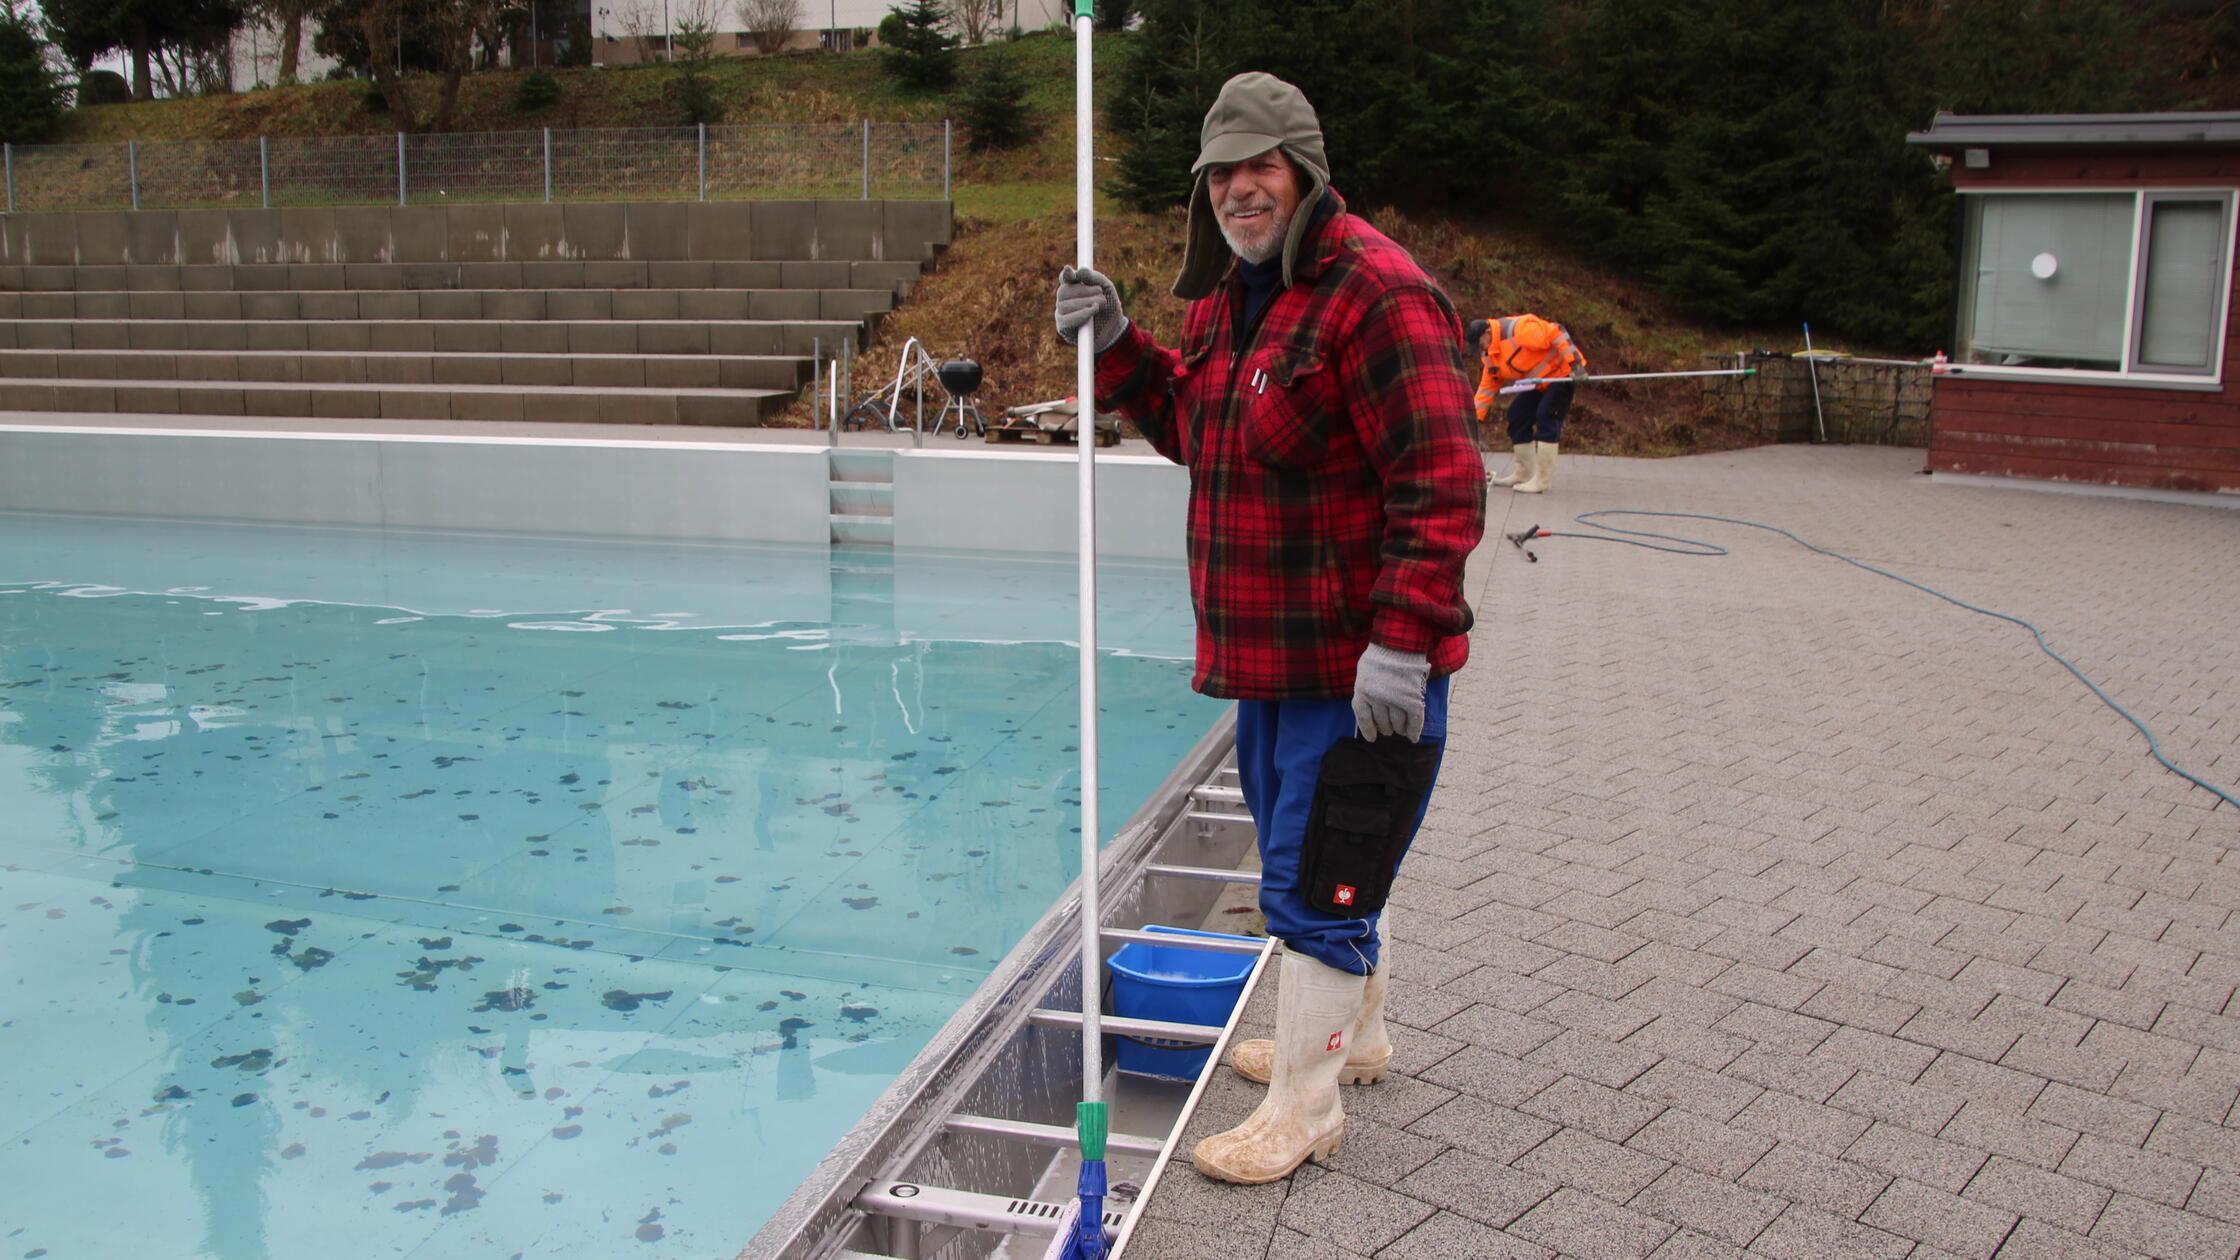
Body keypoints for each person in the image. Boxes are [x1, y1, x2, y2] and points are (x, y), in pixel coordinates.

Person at [1052, 71, 1484, 1186]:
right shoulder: (1227, 298)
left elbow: (1440, 481)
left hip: (1356, 665)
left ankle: (1305, 1109)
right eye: (1221, 174)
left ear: (1305, 173)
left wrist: (1402, 641)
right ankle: (1357, 1039)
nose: (1240, 190)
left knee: (1315, 881)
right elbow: (1197, 426)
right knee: (1328, 863)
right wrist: (1118, 344)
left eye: (1261, 168)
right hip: (1269, 660)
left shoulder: (1378, 295)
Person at [1470, 313, 1586, 494]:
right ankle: (1524, 474)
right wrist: (1473, 420)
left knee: (1546, 415)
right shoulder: (1491, 356)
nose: (1480, 349)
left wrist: (1575, 364)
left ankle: (1542, 481)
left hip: (1561, 375)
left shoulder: (1520, 331)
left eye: (1479, 344)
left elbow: (1557, 331)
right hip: (1540, 383)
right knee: (1517, 416)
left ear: (1487, 333)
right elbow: (1486, 389)